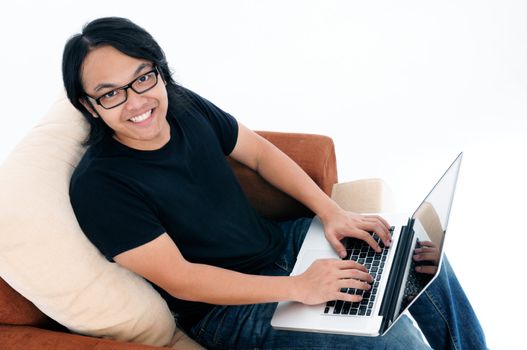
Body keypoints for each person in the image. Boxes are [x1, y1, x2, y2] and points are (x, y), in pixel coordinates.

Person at [63, 17, 487, 350]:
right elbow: (181, 279)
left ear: (159, 71)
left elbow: (260, 154)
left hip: (283, 244)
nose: (138, 101)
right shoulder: (100, 186)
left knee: (416, 254)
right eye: (111, 94)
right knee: (395, 340)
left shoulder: (182, 104)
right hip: (228, 313)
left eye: (143, 78)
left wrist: (331, 212)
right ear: (89, 106)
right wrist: (301, 287)